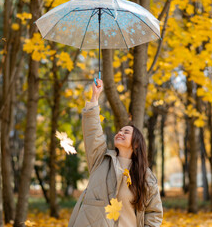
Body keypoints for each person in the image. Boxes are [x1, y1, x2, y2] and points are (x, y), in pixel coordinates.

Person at [68, 79, 163, 227]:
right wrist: (95, 97)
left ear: (136, 143)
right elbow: (93, 132)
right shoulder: (101, 159)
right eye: (119, 131)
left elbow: (154, 214)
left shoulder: (146, 177)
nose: (120, 133)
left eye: (126, 132)